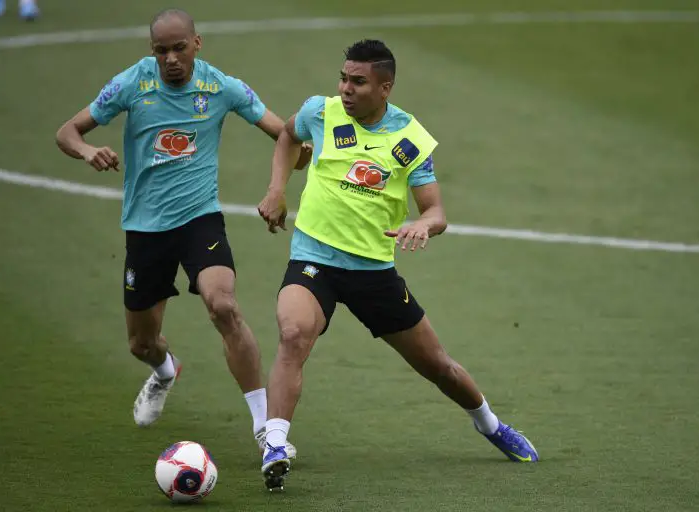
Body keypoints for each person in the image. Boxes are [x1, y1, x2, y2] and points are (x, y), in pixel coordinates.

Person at [256, 39, 538, 490]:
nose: (345, 89)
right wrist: (277, 188)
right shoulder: (321, 112)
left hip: (373, 273)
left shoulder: (410, 139)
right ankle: (274, 443)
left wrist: (423, 225)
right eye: (343, 78)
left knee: (438, 367)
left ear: (384, 87)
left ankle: (490, 424)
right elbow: (289, 134)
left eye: (358, 82)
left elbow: (436, 211)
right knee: (292, 335)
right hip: (314, 260)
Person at [55, 8, 307, 456]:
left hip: (199, 219)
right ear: (151, 52)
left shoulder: (222, 87)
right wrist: (88, 150)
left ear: (197, 44)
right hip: (145, 228)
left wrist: (297, 161)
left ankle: (266, 428)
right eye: (160, 51)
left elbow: (282, 131)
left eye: (178, 48)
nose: (170, 58)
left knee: (223, 305)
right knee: (141, 342)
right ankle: (165, 370)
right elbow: (67, 131)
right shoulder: (133, 83)